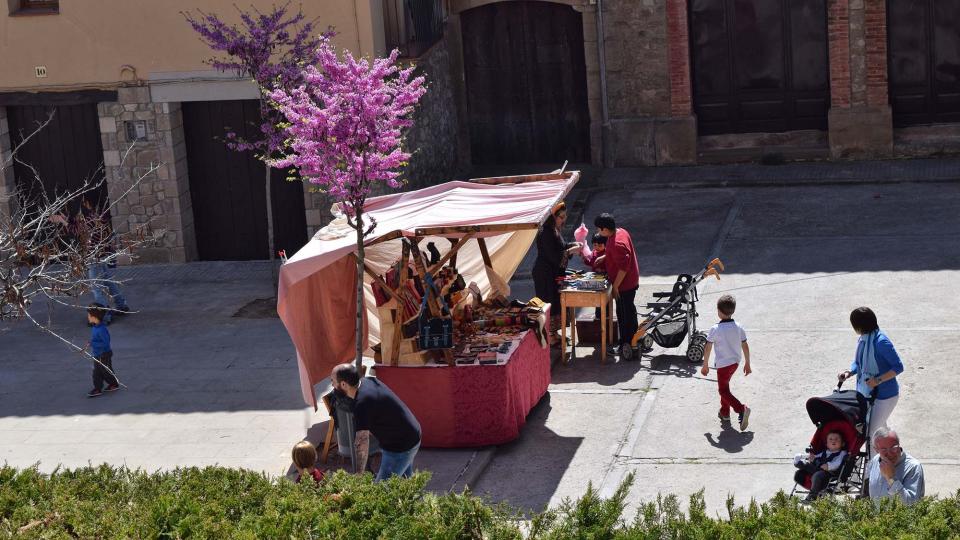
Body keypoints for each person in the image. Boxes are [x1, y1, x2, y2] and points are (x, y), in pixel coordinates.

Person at [330, 363, 421, 481]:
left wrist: (359, 474)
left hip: (400, 446)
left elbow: (361, 442)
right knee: (406, 484)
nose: (332, 384)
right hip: (411, 433)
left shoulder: (362, 404)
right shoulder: (368, 381)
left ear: (343, 384)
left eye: (333, 381)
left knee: (381, 492)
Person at [837, 307, 904, 440]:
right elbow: (858, 363)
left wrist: (878, 380)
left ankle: (874, 461)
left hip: (885, 396)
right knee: (881, 430)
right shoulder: (864, 339)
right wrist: (849, 372)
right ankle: (892, 453)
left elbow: (898, 367)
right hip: (868, 394)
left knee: (872, 433)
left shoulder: (881, 342)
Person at [700, 295, 752, 431]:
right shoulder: (739, 327)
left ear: (718, 311)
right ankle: (724, 413)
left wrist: (705, 364)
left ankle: (742, 409)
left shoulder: (715, 329)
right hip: (735, 363)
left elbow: (708, 347)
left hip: (723, 365)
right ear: (732, 311)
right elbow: (745, 345)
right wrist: (748, 363)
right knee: (725, 388)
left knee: (722, 390)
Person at [532, 202, 580, 344]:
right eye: (561, 217)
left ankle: (554, 333)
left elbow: (561, 247)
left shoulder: (554, 230)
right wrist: (571, 251)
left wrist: (573, 245)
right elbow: (555, 256)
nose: (564, 220)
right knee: (550, 302)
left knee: (557, 302)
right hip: (545, 274)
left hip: (553, 272)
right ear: (552, 217)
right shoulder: (545, 232)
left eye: (565, 216)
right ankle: (551, 336)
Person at [78, 197, 131, 324]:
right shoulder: (100, 215)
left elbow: (79, 230)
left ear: (88, 204)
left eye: (85, 202)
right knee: (108, 281)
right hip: (101, 256)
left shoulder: (91, 219)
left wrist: (63, 221)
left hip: (93, 257)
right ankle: (121, 305)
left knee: (96, 287)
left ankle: (104, 316)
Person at [594, 213, 640, 358]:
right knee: (628, 311)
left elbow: (623, 269)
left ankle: (626, 343)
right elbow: (613, 253)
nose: (598, 233)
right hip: (629, 281)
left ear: (606, 229)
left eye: (599, 230)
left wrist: (616, 287)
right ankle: (634, 339)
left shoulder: (617, 244)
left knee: (625, 315)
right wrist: (604, 256)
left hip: (625, 285)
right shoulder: (620, 232)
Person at [868, 428, 924, 505]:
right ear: (876, 450)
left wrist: (891, 479)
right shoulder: (875, 461)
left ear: (899, 444)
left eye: (893, 448)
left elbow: (910, 504)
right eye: (884, 450)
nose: (890, 454)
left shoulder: (913, 467)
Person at [793, 430, 848, 501]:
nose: (833, 441)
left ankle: (812, 496)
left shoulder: (842, 453)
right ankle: (798, 463)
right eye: (830, 439)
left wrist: (829, 466)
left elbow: (838, 463)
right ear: (827, 444)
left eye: (837, 439)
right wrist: (809, 457)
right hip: (818, 469)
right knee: (805, 468)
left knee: (817, 475)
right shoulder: (825, 452)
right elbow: (815, 457)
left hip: (829, 473)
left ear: (842, 443)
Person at [86, 303, 119, 398]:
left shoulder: (102, 329)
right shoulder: (95, 327)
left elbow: (105, 343)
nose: (88, 317)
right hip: (97, 354)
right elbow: (96, 339)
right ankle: (97, 388)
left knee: (106, 371)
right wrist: (91, 342)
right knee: (96, 372)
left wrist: (93, 344)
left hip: (104, 355)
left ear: (94, 317)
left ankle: (114, 384)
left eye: (89, 315)